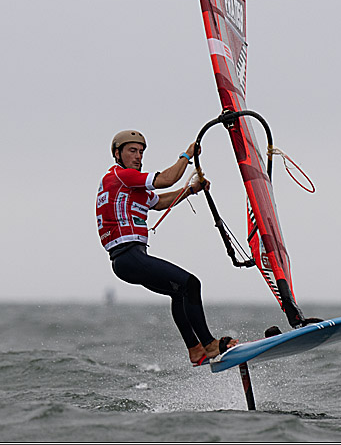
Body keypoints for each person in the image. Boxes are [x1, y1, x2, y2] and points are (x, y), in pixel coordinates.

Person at [96, 129, 239, 366]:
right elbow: (167, 179)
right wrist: (188, 155)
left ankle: (195, 350)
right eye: (132, 151)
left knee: (179, 292)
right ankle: (209, 344)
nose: (138, 156)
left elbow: (160, 201)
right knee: (191, 284)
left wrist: (191, 190)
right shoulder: (120, 176)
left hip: (130, 259)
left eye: (141, 152)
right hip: (127, 256)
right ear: (117, 154)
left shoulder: (132, 187)